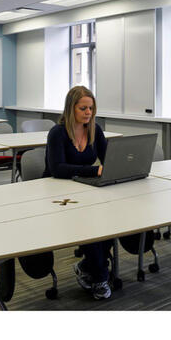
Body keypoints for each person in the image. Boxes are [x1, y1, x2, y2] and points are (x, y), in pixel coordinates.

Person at [46, 85, 112, 300]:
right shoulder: (57, 133)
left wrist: (116, 166)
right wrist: (94, 170)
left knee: (114, 218)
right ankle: (101, 277)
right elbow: (57, 169)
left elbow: (107, 160)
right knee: (91, 225)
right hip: (54, 192)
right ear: (70, 108)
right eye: (83, 108)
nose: (88, 113)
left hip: (83, 187)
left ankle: (86, 266)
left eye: (91, 108)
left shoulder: (95, 129)